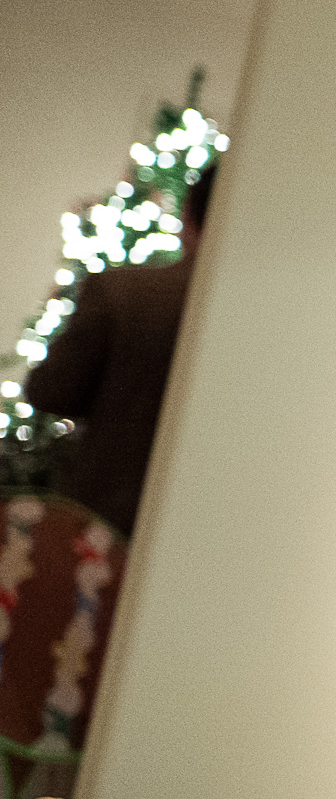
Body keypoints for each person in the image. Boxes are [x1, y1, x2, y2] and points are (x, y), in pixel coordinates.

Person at [24, 163, 211, 535]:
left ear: (187, 216)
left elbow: (50, 391)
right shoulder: (275, 314)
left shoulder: (122, 292)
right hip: (211, 523)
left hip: (110, 518)